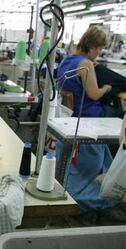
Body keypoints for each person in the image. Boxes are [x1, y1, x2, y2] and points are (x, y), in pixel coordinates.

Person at [56, 27, 115, 215]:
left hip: (69, 118)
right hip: (88, 120)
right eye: (98, 49)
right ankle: (99, 196)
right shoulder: (86, 64)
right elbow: (94, 94)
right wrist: (106, 88)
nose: (99, 53)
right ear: (92, 46)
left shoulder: (66, 60)